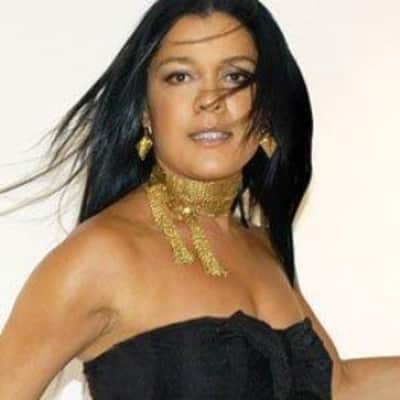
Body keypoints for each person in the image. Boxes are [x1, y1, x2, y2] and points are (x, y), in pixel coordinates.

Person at [0, 0, 399, 399]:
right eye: (180, 76)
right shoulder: (101, 256)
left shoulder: (266, 248)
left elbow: (338, 387)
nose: (210, 98)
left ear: (266, 107)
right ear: (145, 111)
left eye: (235, 75)